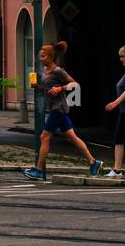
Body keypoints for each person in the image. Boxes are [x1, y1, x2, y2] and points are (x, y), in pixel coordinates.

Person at [24, 42, 103, 180]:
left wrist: (60, 88)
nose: (40, 58)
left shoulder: (58, 71)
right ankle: (93, 162)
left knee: (44, 137)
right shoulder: (45, 71)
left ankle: (38, 170)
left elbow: (75, 84)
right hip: (56, 107)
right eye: (40, 56)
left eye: (43, 56)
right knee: (72, 137)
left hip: (58, 108)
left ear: (50, 57)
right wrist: (37, 86)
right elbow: (46, 88)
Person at [103, 46, 125, 178]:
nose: (120, 59)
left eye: (123, 56)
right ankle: (117, 170)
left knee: (119, 138)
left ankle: (117, 170)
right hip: (123, 111)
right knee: (119, 138)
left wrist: (115, 103)